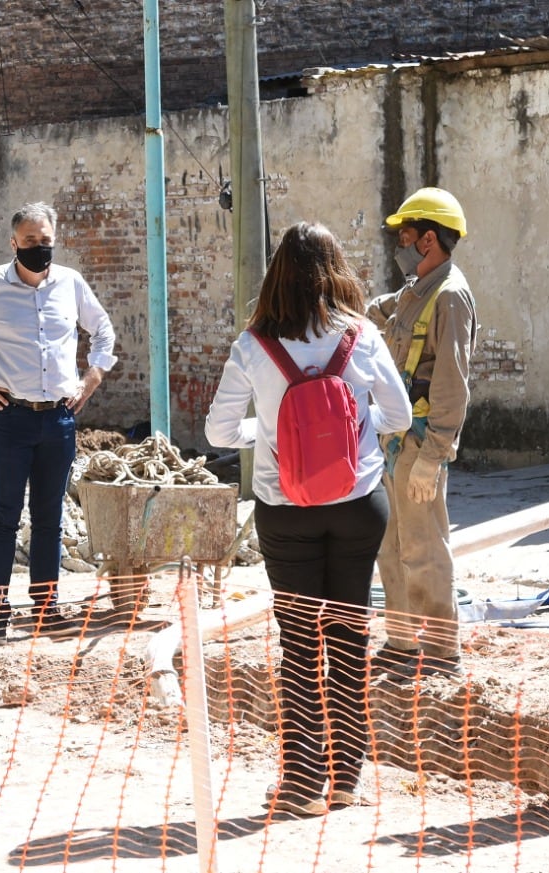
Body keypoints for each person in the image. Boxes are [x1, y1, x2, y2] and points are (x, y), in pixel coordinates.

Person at [205, 221, 412, 817]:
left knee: (298, 643)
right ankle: (347, 779)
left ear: (275, 277)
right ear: (335, 269)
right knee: (350, 638)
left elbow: (220, 433)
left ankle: (300, 782)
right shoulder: (362, 335)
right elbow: (396, 417)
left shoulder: (253, 345)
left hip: (285, 510)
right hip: (358, 505)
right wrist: (349, 430)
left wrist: (267, 433)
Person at [0, 202, 117, 641]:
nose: (39, 248)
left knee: (50, 517)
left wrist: (92, 377)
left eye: (45, 241)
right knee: (4, 515)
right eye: (30, 241)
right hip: (8, 416)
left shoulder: (71, 283)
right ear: (14, 243)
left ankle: (46, 608)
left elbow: (104, 331)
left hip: (60, 418)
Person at [367, 187, 478, 681]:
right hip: (394, 437)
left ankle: (438, 651)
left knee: (424, 547)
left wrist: (435, 455)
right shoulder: (418, 289)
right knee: (391, 543)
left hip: (420, 442)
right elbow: (378, 312)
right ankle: (402, 640)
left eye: (406, 236)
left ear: (428, 239)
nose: (400, 245)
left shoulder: (450, 296)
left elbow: (453, 386)